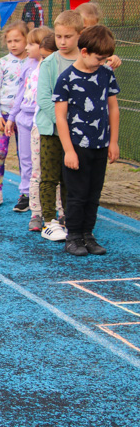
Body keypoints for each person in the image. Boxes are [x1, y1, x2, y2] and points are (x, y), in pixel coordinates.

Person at [53, 25, 120, 256]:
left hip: (100, 145)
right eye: (99, 58)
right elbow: (60, 117)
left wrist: (113, 141)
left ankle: (88, 235)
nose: (102, 62)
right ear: (83, 52)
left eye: (104, 59)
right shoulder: (66, 78)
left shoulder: (106, 73)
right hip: (77, 148)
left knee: (94, 194)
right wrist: (68, 150)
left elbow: (113, 108)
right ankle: (73, 236)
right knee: (77, 194)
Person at [36, 10, 83, 242]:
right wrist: (62, 121)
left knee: (70, 176)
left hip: (78, 133)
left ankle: (68, 218)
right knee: (50, 176)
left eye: (68, 37)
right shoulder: (48, 64)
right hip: (51, 131)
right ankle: (48, 221)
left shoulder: (86, 62)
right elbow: (44, 98)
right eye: (59, 37)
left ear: (79, 35)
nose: (62, 42)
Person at [5, 27, 54, 229]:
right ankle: (26, 194)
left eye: (32, 44)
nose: (27, 47)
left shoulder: (51, 66)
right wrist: (12, 117)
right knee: (25, 159)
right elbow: (20, 94)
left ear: (44, 46)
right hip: (24, 118)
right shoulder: (28, 66)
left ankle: (48, 200)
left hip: (40, 120)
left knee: (44, 163)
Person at [0, 21, 28, 210]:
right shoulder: (2, 63)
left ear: (27, 39)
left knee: (25, 155)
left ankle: (26, 194)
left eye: (17, 40)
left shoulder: (34, 63)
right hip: (3, 116)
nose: (13, 44)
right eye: (9, 41)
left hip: (25, 117)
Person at [76, 2, 122, 69]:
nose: (88, 32)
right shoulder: (70, 46)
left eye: (92, 28)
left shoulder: (96, 46)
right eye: (84, 28)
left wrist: (110, 65)